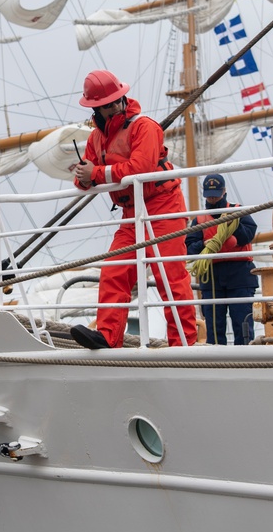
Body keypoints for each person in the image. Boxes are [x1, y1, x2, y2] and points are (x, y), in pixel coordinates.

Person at [70, 70, 197, 350]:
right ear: (96, 108)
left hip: (163, 206)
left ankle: (183, 345)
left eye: (117, 100)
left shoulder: (145, 127)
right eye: (108, 103)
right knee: (114, 269)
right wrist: (82, 176)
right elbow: (88, 179)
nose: (115, 106)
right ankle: (107, 336)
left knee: (170, 276)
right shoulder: (95, 140)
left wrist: (96, 172)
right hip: (131, 212)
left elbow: (140, 168)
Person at [186, 173, 257, 346]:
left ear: (224, 191)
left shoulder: (239, 212)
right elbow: (189, 248)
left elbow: (248, 235)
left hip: (240, 273)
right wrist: (205, 244)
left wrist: (231, 225)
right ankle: (217, 358)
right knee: (214, 326)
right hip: (212, 276)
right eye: (209, 194)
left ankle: (245, 357)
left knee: (243, 322)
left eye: (216, 194)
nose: (212, 198)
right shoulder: (199, 220)